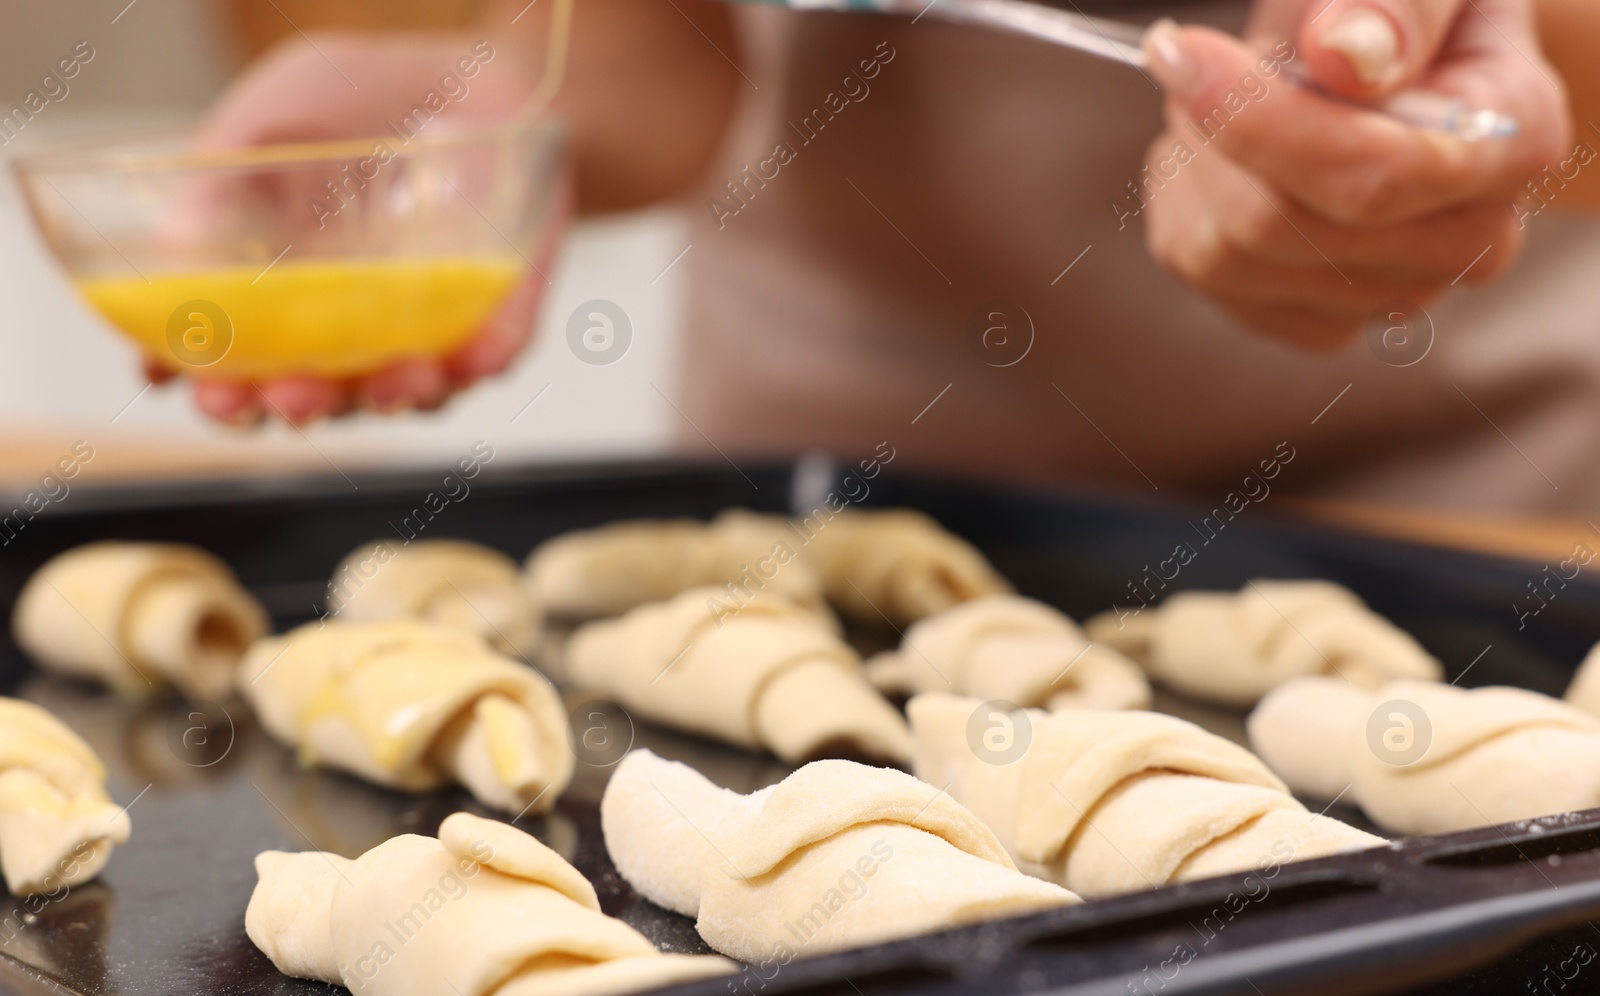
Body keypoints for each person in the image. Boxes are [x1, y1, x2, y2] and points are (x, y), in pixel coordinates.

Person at [176, 0, 1599, 509]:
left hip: (1457, 513)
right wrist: (483, 123)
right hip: (833, 527)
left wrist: (1470, 81)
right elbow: (653, 56)